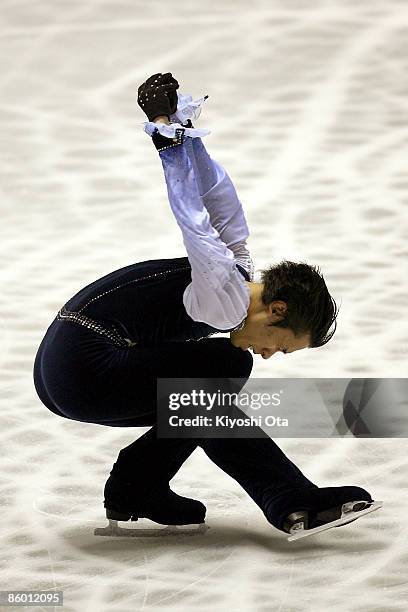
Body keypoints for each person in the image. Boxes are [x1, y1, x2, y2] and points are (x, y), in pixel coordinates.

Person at [33, 72, 373, 535]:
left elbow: (216, 198)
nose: (269, 353)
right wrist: (166, 140)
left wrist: (187, 138)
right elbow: (192, 222)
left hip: (64, 371)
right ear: (277, 312)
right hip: (84, 371)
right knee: (225, 366)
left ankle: (148, 487)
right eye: (282, 345)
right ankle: (277, 497)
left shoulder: (238, 267)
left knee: (204, 400)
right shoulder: (226, 299)